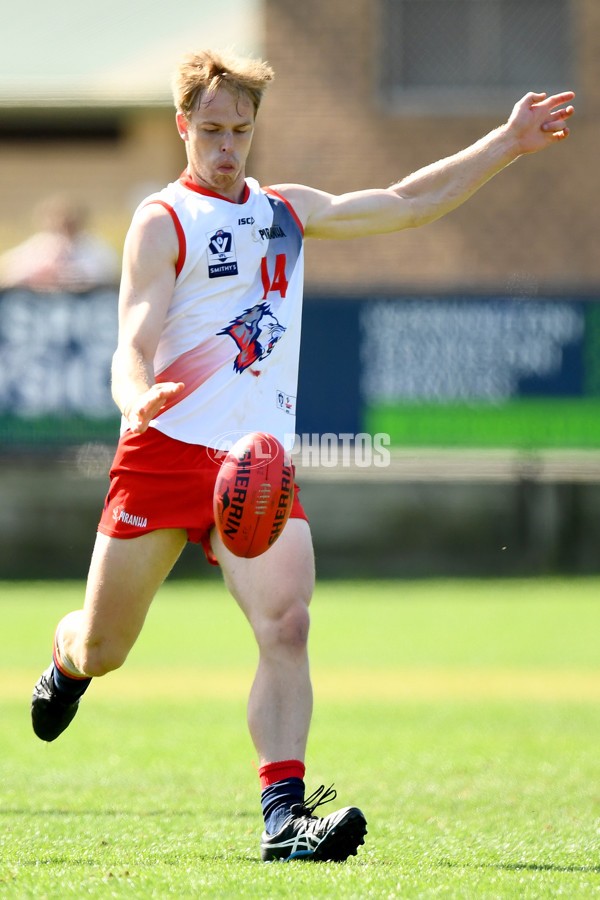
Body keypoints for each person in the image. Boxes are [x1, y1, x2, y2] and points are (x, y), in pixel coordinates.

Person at [30, 49, 574, 862]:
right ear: (183, 127)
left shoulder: (283, 208)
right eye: (209, 130)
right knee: (105, 646)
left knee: (287, 624)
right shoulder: (163, 219)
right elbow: (133, 337)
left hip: (256, 465)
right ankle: (67, 663)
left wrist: (504, 141)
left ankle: (283, 819)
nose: (225, 147)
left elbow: (404, 203)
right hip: (163, 453)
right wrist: (133, 396)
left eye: (239, 131)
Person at [0, 194, 119, 293]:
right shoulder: (39, 244)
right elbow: (9, 270)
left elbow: (108, 273)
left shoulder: (93, 246)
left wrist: (70, 273)